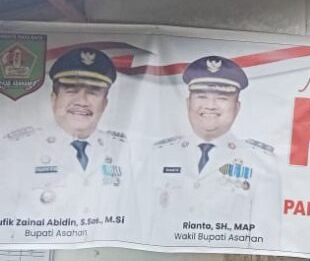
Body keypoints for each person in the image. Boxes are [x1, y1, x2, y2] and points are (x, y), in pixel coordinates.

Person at [143, 55, 281, 247]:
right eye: (201, 96)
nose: (210, 105)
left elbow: (265, 241)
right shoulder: (160, 155)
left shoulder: (260, 162)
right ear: (188, 103)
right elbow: (140, 226)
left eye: (222, 98)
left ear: (237, 107)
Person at [1, 46, 131, 222]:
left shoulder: (119, 149)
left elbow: (130, 221)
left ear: (104, 104)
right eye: (71, 91)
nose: (82, 101)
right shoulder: (19, 149)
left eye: (93, 92)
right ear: (54, 99)